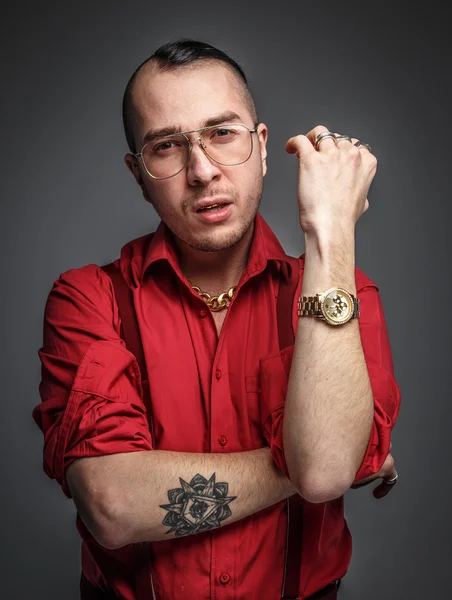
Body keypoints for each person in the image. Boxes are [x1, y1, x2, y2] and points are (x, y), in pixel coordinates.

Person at [32, 39, 401, 600]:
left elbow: (326, 473)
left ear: (263, 147)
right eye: (167, 146)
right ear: (137, 172)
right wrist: (320, 457)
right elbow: (112, 506)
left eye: (222, 134)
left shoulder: (346, 291)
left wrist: (330, 231)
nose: (202, 171)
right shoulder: (88, 298)